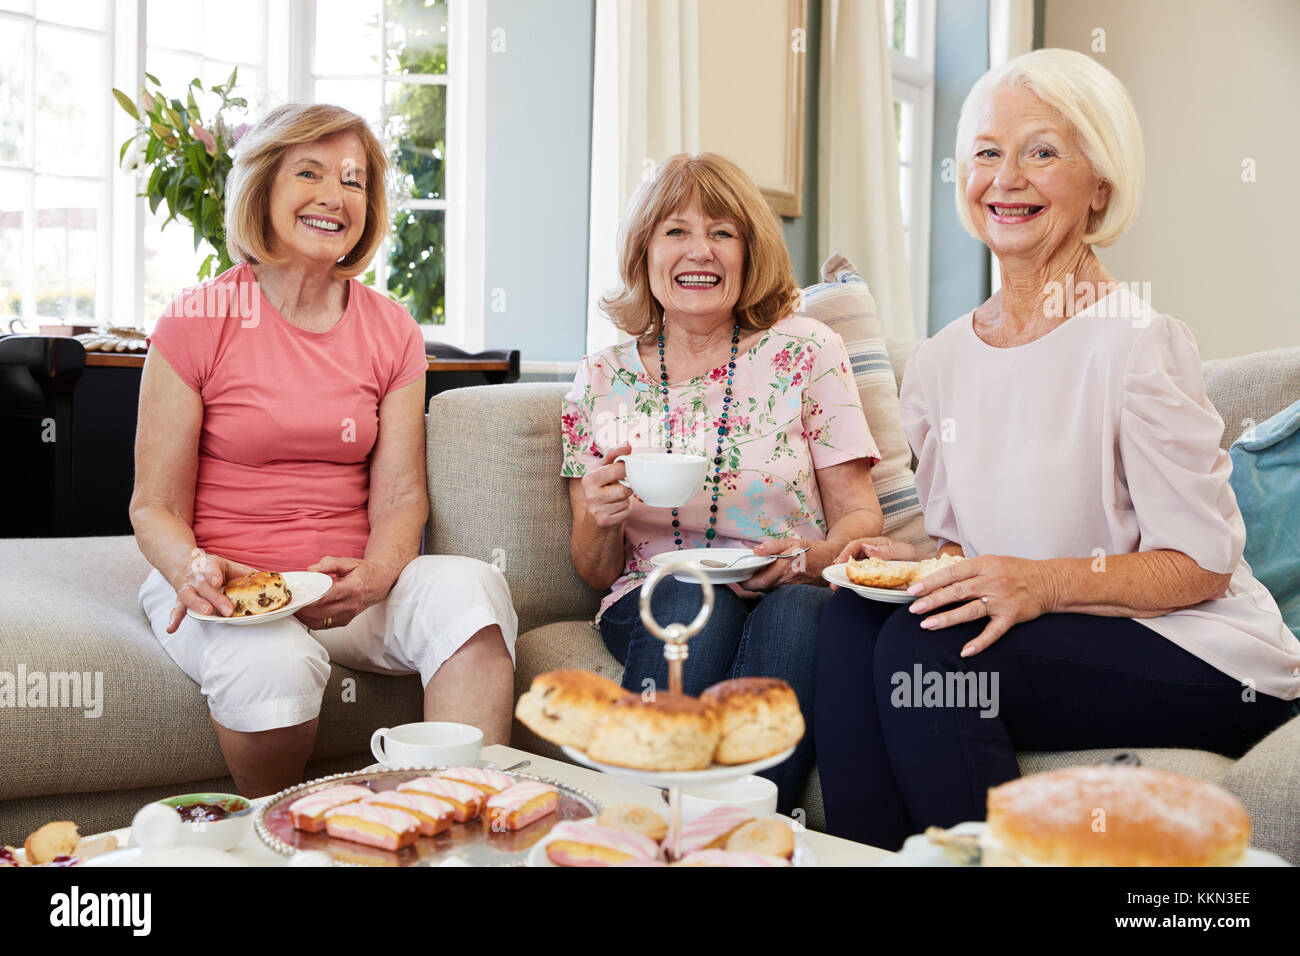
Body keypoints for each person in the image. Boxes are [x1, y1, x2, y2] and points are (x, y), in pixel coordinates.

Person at [814, 49, 1300, 850]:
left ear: (1099, 186)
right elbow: (960, 548)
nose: (1007, 179)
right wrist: (907, 566)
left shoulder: (1137, 345)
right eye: (986, 153)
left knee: (929, 647)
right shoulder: (938, 363)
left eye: (1042, 152)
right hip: (1047, 631)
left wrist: (1037, 583)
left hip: (1202, 649)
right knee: (852, 620)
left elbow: (1202, 564)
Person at [131, 104, 517, 797]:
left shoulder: (392, 329)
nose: (334, 196)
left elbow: (401, 497)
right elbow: (154, 504)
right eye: (308, 172)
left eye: (353, 180)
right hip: (227, 586)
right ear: (264, 189)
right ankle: (282, 840)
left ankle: (452, 825)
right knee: (272, 664)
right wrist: (191, 567)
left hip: (348, 589)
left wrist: (375, 573)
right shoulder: (196, 319)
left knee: (472, 591)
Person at [563, 153, 884, 810]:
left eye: (722, 232)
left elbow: (860, 517)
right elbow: (596, 572)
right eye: (675, 231)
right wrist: (598, 516)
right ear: (644, 251)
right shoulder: (602, 377)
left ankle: (733, 839)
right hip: (655, 594)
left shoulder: (807, 350)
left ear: (749, 250)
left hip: (793, 582)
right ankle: (644, 827)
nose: (699, 251)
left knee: (799, 614)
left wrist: (808, 558)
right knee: (687, 600)